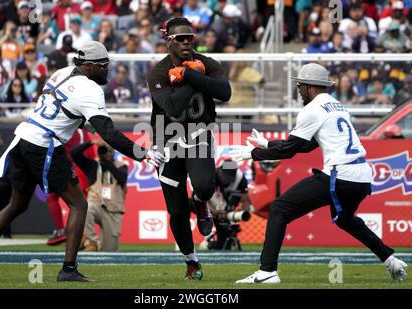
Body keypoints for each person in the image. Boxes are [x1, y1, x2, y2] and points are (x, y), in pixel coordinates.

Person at [0, 41, 165, 282]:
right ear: (89, 66)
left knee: (17, 205)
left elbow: (63, 108)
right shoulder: (90, 90)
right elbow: (109, 133)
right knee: (79, 204)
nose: (107, 70)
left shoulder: (61, 73)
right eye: (103, 66)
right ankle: (68, 269)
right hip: (43, 145)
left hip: (23, 139)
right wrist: (144, 154)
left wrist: (84, 122)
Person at [231, 63, 408, 284]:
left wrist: (253, 153)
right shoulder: (337, 105)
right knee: (345, 219)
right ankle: (390, 259)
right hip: (362, 176)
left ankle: (268, 271)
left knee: (279, 208)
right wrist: (267, 143)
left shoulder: (312, 109)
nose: (298, 90)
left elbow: (290, 150)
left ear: (309, 86)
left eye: (300, 86)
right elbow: (307, 145)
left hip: (340, 175)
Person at [147, 17, 231, 280]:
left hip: (198, 135)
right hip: (167, 141)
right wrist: (192, 78)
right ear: (168, 41)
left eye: (189, 38)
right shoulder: (159, 71)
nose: (186, 42)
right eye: (180, 38)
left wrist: (188, 74)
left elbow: (225, 92)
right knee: (176, 212)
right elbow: (171, 106)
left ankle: (200, 202)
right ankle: (191, 260)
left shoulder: (206, 63)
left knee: (205, 187)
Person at [71, 140, 128, 251]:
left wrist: (108, 162)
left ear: (113, 153)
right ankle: (91, 240)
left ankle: (89, 243)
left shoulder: (121, 166)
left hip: (113, 211)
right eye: (103, 151)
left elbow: (122, 178)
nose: (105, 153)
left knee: (109, 250)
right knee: (87, 207)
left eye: (108, 151)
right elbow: (74, 153)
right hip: (96, 205)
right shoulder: (92, 165)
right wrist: (91, 143)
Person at [202, 160, 251, 250]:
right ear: (220, 171)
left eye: (231, 177)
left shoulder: (240, 178)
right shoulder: (211, 176)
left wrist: (244, 211)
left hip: (224, 210)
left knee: (224, 245)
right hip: (205, 206)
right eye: (226, 177)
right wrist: (215, 212)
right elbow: (203, 198)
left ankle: (211, 244)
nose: (228, 180)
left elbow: (245, 200)